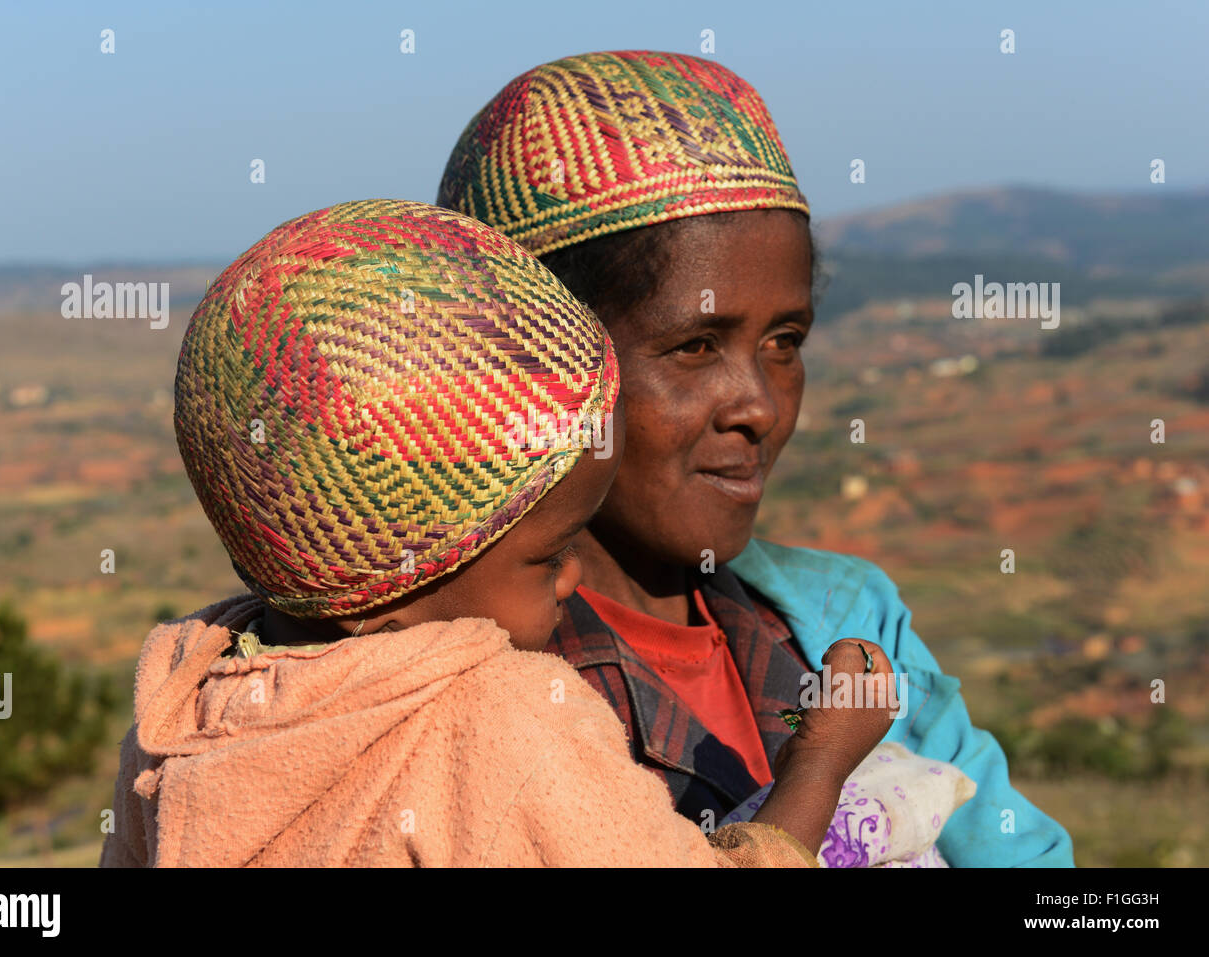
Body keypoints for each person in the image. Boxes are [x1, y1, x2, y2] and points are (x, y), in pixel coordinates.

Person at [99, 198, 894, 867]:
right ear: (390, 591)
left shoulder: (181, 699)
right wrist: (820, 761)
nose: (572, 580)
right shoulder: (502, 718)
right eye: (549, 555)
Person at [437, 50, 1074, 867]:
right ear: (532, 365)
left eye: (785, 341)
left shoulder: (844, 617)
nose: (761, 407)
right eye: (695, 346)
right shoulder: (467, 686)